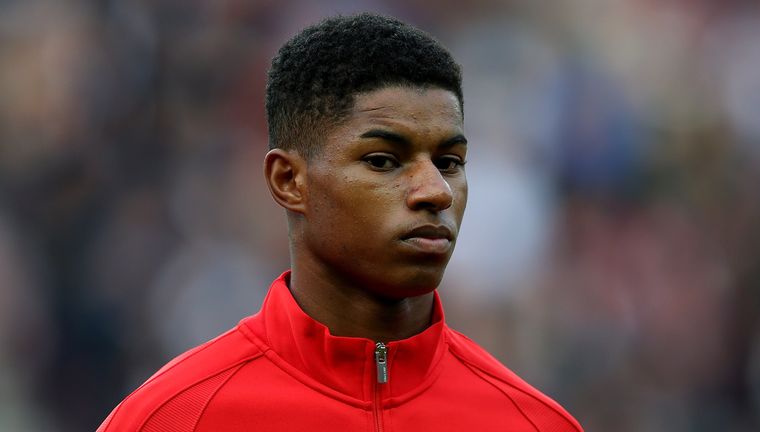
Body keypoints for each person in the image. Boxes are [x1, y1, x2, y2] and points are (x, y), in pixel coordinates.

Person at [98, 13, 583, 431]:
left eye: (450, 161)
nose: (435, 190)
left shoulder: (534, 423)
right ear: (289, 180)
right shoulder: (171, 418)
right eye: (382, 160)